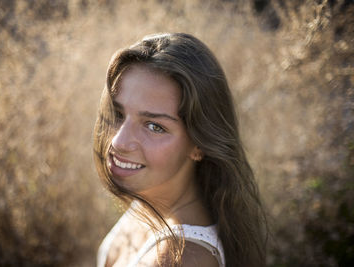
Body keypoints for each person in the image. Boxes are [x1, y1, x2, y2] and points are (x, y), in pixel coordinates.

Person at [94, 33, 267, 267]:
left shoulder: (179, 260)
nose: (118, 142)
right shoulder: (152, 197)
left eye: (154, 126)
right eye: (119, 114)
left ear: (199, 145)